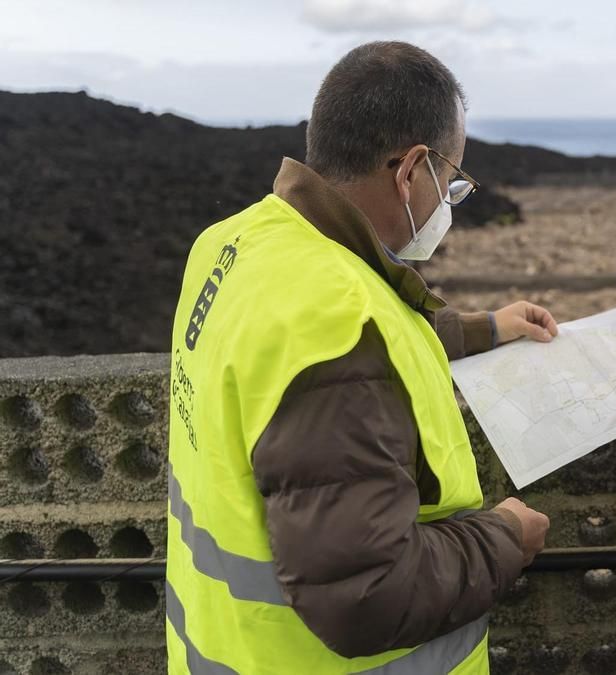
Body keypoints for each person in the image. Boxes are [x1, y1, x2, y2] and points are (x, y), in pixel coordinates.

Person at [166, 42, 552, 674]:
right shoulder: (336, 319)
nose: (448, 199)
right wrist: (505, 536)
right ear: (411, 170)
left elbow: (330, 357)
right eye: (451, 181)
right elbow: (364, 598)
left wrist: (487, 328)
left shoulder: (236, 242)